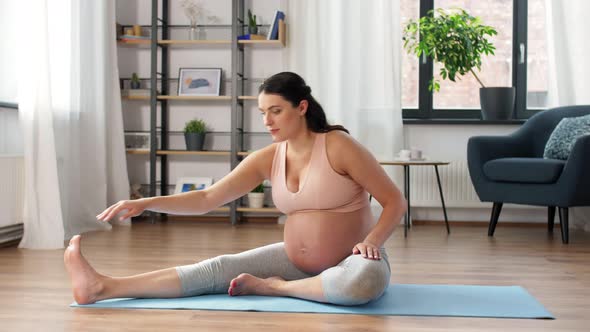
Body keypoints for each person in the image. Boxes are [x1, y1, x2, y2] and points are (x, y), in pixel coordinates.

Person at [64, 72, 407, 306]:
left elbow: (394, 201)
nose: (267, 121)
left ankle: (276, 288)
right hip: (293, 260)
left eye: (276, 111)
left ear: (301, 107)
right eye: (262, 112)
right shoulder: (267, 157)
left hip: (355, 259)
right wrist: (148, 203)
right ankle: (101, 287)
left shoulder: (338, 145)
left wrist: (372, 242)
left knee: (361, 284)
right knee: (215, 269)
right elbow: (208, 198)